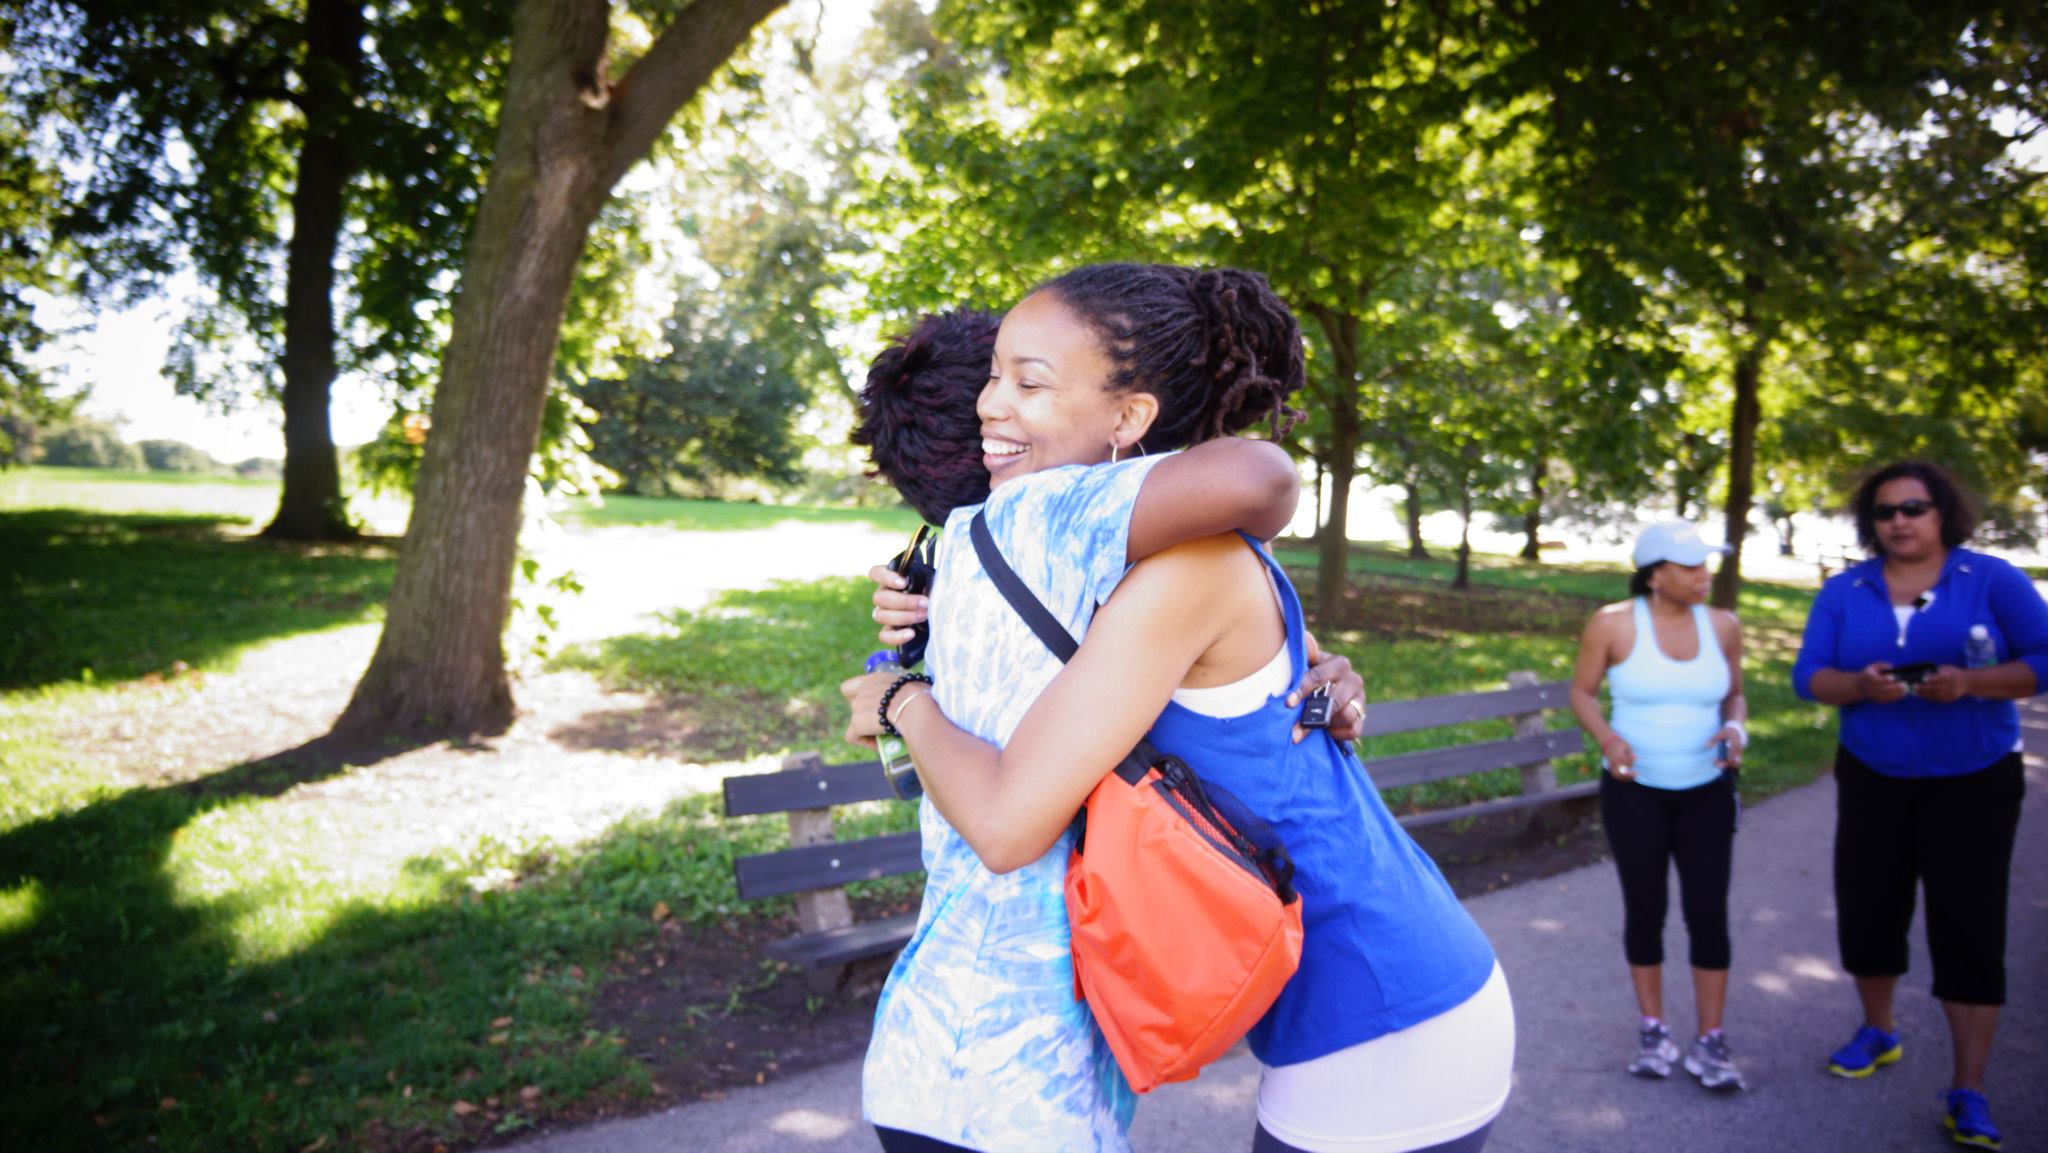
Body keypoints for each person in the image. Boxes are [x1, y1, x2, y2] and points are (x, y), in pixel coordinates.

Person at [844, 264, 1512, 1153]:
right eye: (992, 380)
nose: (988, 407)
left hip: (1377, 1002)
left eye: (1028, 383)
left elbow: (1006, 820)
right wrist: (936, 617)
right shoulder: (1129, 572)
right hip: (1371, 994)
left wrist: (899, 697)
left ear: (1130, 419)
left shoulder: (1183, 570)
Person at [1792, 461, 2047, 1151]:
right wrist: (1858, 685)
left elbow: (2044, 657)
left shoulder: (1992, 579)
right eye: (1884, 511)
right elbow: (1807, 676)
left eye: (1914, 507)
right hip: (1873, 776)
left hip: (1974, 779)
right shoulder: (1846, 590)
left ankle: (1969, 1088)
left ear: (1943, 513)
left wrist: (1971, 682)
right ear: (1869, 522)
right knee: (1870, 909)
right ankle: (1880, 1030)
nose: (1899, 521)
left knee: (1969, 926)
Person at [1568, 520, 1748, 1091]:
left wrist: (1736, 729)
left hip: (1707, 790)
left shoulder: (1724, 625)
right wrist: (1608, 739)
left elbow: (1735, 695)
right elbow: (1582, 693)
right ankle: (1654, 1030)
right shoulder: (1613, 624)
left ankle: (1711, 1039)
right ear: (1654, 575)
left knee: (1708, 912)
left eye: (1705, 565)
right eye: (1690, 567)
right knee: (1645, 908)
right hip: (1634, 791)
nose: (1703, 576)